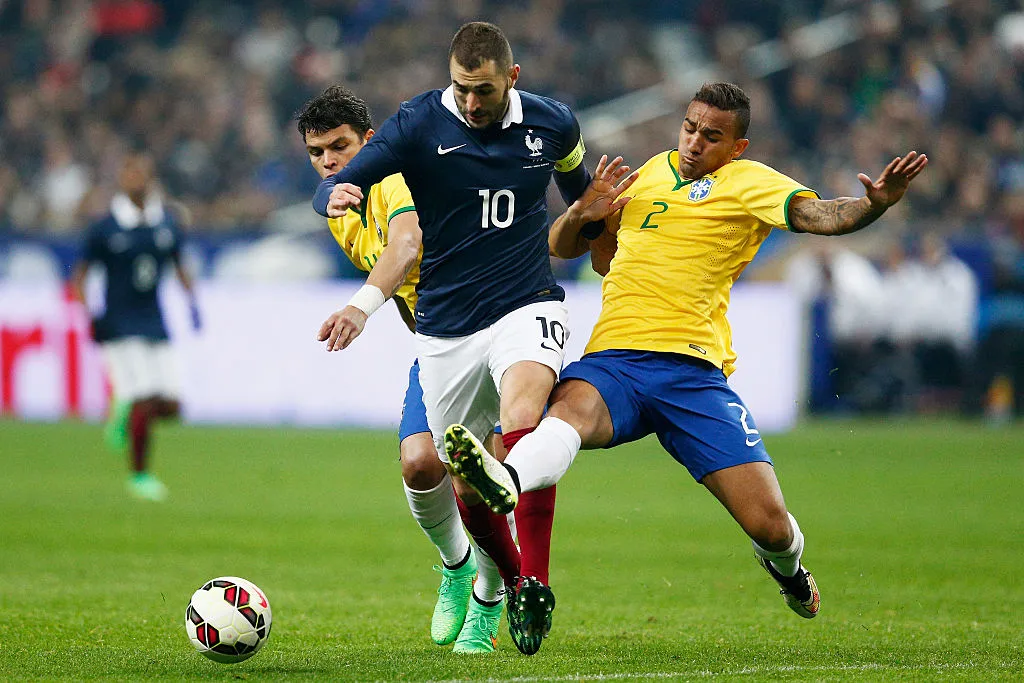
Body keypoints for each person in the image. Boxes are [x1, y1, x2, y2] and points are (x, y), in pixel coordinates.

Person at [450, 82, 928, 624]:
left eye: (712, 136)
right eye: (690, 128)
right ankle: (506, 481)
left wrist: (872, 204)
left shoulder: (750, 182)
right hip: (616, 360)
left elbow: (822, 215)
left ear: (737, 148)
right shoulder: (649, 173)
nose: (695, 142)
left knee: (770, 527)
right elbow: (562, 246)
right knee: (564, 419)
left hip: (694, 374)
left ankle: (789, 570)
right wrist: (584, 211)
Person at [312, 22, 632, 655]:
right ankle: (496, 584)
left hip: (525, 302)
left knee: (522, 419)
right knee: (456, 479)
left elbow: (576, 195)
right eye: (461, 88)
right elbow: (349, 179)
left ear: (511, 79)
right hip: (445, 330)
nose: (470, 102)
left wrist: (598, 234)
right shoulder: (417, 125)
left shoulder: (554, 125)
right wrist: (335, 191)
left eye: (482, 90)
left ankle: (532, 581)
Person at [296, 84, 499, 654]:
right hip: (440, 345)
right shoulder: (340, 207)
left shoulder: (396, 176)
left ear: (370, 140)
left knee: (475, 482)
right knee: (417, 464)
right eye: (317, 153)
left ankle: (489, 598)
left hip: (496, 331)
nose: (330, 161)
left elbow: (406, 246)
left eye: (340, 146)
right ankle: (457, 566)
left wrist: (360, 308)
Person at [69, 150, 202, 502]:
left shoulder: (166, 222)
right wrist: (90, 315)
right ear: (121, 180)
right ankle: (140, 476)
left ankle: (123, 413)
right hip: (119, 323)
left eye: (141, 173)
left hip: (154, 320)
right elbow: (80, 278)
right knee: (144, 397)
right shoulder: (106, 227)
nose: (136, 179)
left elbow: (179, 265)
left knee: (172, 406)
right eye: (129, 173)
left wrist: (192, 304)